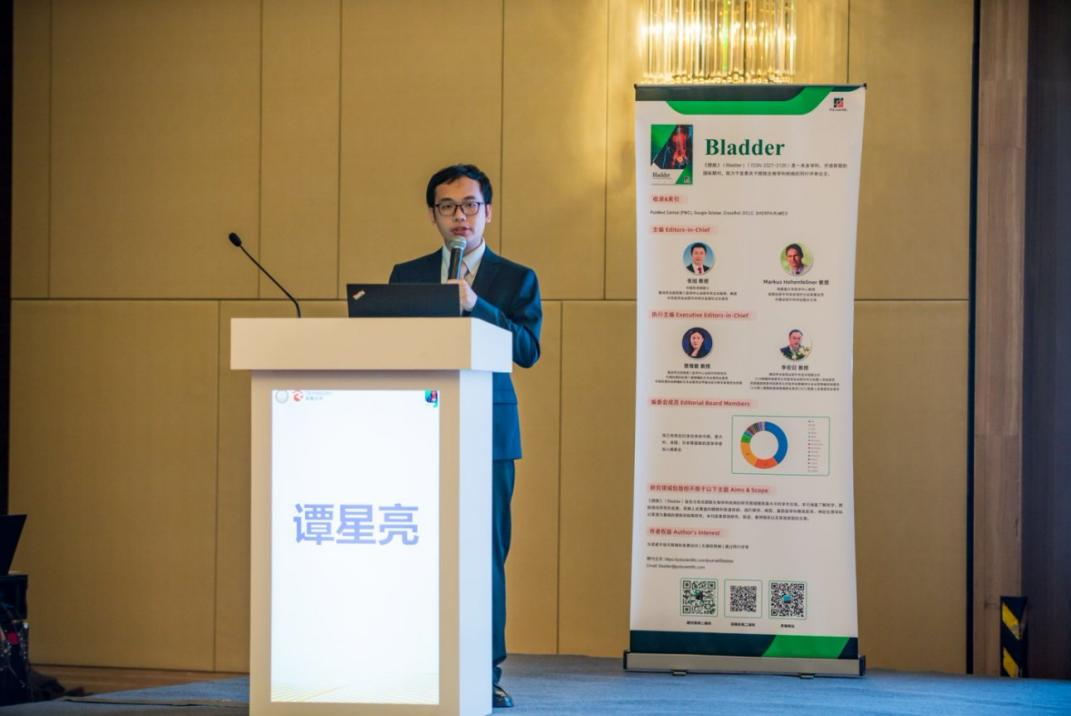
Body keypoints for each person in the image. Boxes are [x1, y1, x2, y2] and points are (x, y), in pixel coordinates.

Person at [389, 164, 541, 709]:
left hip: (489, 437)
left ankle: (484, 671)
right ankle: (416, 662)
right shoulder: (407, 275)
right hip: (421, 429)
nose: (460, 216)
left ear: (488, 212)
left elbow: (527, 349)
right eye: (447, 206)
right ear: (433, 214)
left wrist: (477, 305)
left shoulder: (516, 279)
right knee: (418, 553)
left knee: (484, 557)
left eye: (470, 205)